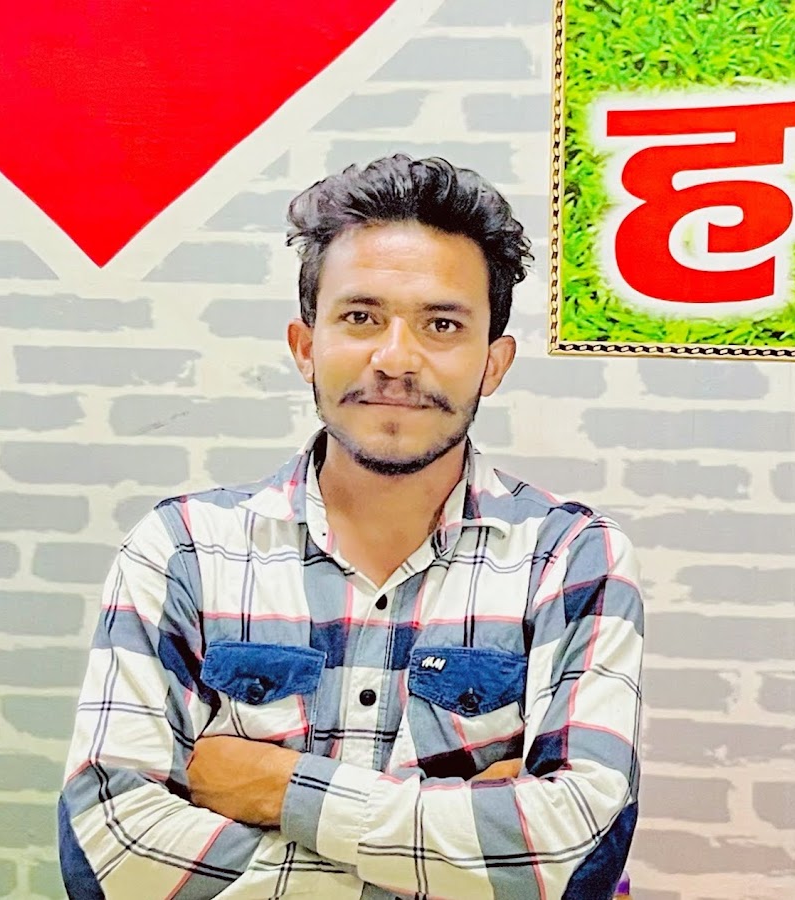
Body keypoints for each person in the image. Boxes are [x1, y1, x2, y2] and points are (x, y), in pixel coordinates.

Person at [59, 154, 643, 899]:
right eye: (361, 318)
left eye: (441, 324)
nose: (395, 359)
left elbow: (579, 855)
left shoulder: (571, 558)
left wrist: (279, 789)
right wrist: (466, 855)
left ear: (494, 363)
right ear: (307, 347)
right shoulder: (181, 551)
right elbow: (109, 856)